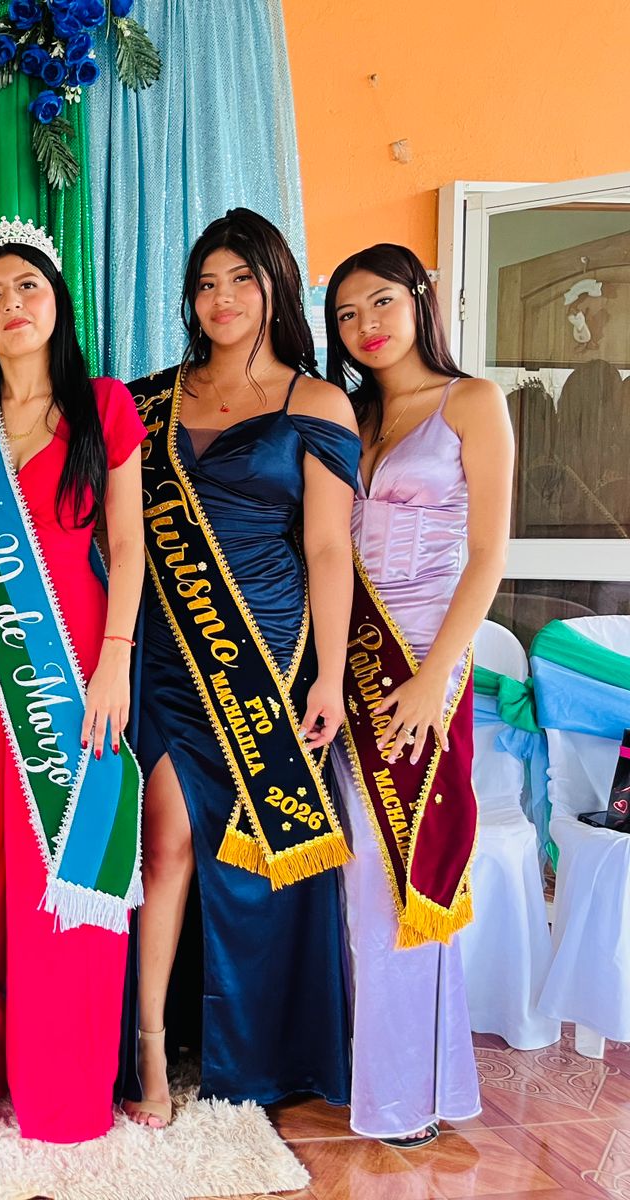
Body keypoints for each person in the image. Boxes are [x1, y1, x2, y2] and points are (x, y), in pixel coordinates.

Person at [0, 219, 147, 1142]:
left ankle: (62, 1085)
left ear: (57, 303)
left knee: (64, 863)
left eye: (29, 288)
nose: (13, 305)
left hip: (78, 665)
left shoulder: (104, 407)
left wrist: (117, 657)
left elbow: (128, 546)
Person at [125, 209, 359, 1124]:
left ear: (275, 287)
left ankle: (259, 1049)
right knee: (166, 845)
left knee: (258, 863)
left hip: (269, 659)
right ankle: (149, 1049)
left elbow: (329, 549)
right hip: (167, 657)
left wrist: (329, 676)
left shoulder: (318, 403)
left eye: (241, 280)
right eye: (206, 283)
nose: (221, 299)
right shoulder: (149, 401)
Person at [324, 242, 511, 1147]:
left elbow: (491, 555)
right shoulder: (349, 415)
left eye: (382, 302)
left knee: (401, 868)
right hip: (347, 659)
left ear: (420, 300)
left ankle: (404, 1096)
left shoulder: (472, 401)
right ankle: (385, 1072)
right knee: (357, 869)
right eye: (347, 313)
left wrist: (436, 677)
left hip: (426, 662)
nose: (366, 325)